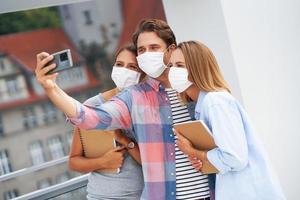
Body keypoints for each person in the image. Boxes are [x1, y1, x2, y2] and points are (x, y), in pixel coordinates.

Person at [35, 19, 214, 200]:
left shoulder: (195, 89)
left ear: (170, 49)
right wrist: (51, 88)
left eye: (154, 47)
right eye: (142, 50)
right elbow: (89, 117)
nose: (147, 54)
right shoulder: (135, 96)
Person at [168, 40, 286, 200]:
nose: (173, 71)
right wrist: (204, 159)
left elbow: (235, 158)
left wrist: (193, 152)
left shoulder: (215, 102)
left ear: (197, 68)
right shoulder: (204, 105)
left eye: (180, 65)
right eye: (171, 65)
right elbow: (227, 154)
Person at [69, 43, 144, 200]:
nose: (124, 70)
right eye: (119, 64)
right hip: (101, 196)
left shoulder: (147, 107)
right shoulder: (92, 106)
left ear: (142, 73)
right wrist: (103, 162)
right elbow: (74, 161)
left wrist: (124, 140)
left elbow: (152, 163)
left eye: (132, 67)